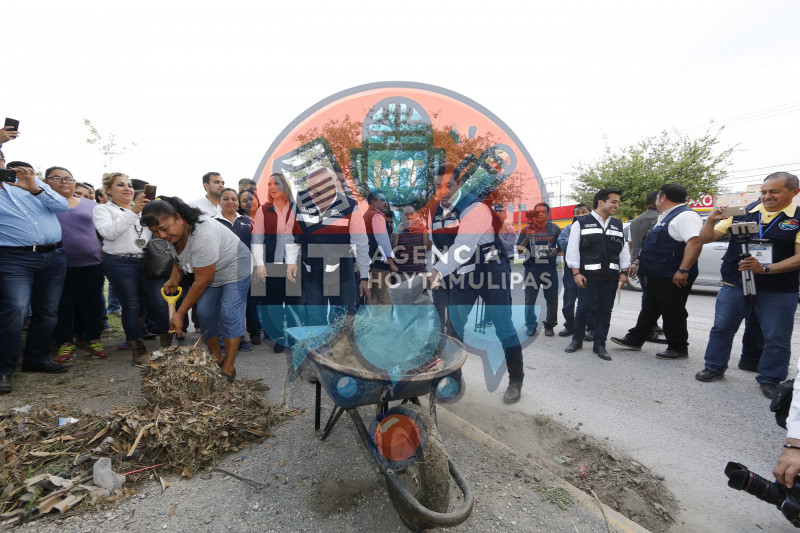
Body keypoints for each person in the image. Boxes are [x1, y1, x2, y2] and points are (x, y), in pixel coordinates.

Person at [695, 172, 800, 399]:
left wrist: (766, 268)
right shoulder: (743, 212)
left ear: (794, 192)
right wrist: (711, 220)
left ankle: (770, 378)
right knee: (722, 328)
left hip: (778, 288)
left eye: (774, 191)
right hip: (736, 283)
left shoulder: (798, 218)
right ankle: (714, 366)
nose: (766, 196)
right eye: (763, 192)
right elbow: (706, 238)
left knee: (776, 336)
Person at [426, 163, 524, 404]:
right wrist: (432, 270)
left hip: (491, 270)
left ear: (459, 184)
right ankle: (454, 380)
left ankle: (516, 380)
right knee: (454, 328)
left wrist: (438, 271)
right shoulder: (433, 211)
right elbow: (436, 247)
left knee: (503, 326)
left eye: (449, 185)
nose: (444, 191)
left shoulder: (475, 207)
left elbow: (464, 247)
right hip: (462, 274)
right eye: (439, 186)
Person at [142, 197, 252, 381]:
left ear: (179, 218)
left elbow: (201, 281)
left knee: (229, 314)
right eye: (155, 231)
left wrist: (179, 314)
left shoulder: (203, 235)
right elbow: (181, 257)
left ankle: (229, 367)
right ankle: (217, 358)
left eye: (164, 228)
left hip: (235, 267)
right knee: (205, 313)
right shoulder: (175, 233)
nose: (161, 235)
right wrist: (173, 279)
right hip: (211, 270)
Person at [0, 161, 70, 395]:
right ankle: (3, 370)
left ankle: (36, 358)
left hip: (54, 256)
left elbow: (61, 206)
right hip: (13, 258)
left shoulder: (32, 183)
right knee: (16, 310)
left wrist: (34, 188)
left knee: (48, 311)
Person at [610, 183, 703, 359]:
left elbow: (695, 242)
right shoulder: (665, 216)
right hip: (656, 274)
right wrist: (638, 261)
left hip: (672, 274)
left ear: (663, 197)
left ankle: (678, 346)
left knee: (673, 310)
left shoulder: (686, 216)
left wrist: (683, 270)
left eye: (658, 196)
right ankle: (635, 338)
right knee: (649, 309)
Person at [93, 172, 171, 363]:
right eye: (120, 185)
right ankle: (138, 350)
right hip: (120, 263)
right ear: (108, 190)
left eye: (129, 185)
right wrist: (134, 211)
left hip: (147, 262)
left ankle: (169, 347)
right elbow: (109, 233)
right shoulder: (102, 210)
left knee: (160, 304)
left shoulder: (144, 209)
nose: (127, 188)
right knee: (132, 306)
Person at [291, 167, 370, 326]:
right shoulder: (300, 205)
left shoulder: (349, 205)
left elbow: (360, 243)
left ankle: (343, 349)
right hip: (313, 272)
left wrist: (364, 277)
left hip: (342, 272)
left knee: (345, 316)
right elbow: (291, 238)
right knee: (315, 317)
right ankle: (319, 349)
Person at [44, 167, 108, 362]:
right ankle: (64, 342)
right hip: (57, 264)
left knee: (91, 303)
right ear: (46, 183)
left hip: (91, 262)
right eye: (57, 178)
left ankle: (93, 339)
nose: (64, 182)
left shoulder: (90, 205)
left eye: (68, 178)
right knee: (63, 304)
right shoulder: (43, 205)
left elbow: (101, 231)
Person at [564, 188, 630, 361]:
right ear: (601, 202)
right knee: (583, 309)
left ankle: (600, 344)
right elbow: (572, 250)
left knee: (605, 311)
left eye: (617, 202)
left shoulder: (617, 224)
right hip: (587, 277)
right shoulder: (581, 222)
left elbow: (622, 250)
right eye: (613, 201)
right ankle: (576, 340)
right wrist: (576, 273)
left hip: (610, 277)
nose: (617, 205)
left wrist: (624, 271)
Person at [253, 173, 300, 353]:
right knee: (274, 302)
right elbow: (257, 239)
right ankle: (280, 337)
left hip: (293, 265)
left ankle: (295, 337)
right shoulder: (264, 210)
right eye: (270, 184)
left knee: (292, 303)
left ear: (285, 185)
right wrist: (259, 264)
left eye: (277, 183)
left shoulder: (296, 208)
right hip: (271, 264)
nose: (272, 187)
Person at [215, 187, 256, 351]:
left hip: (244, 271)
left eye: (233, 199)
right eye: (226, 199)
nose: (230, 202)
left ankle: (239, 339)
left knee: (240, 307)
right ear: (219, 202)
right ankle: (223, 341)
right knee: (223, 309)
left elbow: (256, 246)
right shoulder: (213, 222)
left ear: (238, 203)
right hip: (221, 271)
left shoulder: (248, 222)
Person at [516, 203, 561, 337]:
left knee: (552, 299)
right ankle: (531, 325)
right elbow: (519, 250)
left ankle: (550, 325)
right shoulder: (526, 229)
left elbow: (563, 245)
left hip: (550, 269)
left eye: (543, 212)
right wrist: (527, 239)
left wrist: (557, 250)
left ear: (547, 214)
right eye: (538, 212)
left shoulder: (554, 228)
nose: (540, 214)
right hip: (532, 269)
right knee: (530, 300)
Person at [556, 203, 592, 337]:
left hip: (589, 270)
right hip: (570, 270)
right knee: (569, 300)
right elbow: (562, 243)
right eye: (577, 213)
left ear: (590, 212)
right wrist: (578, 241)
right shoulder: (568, 228)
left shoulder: (594, 228)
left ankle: (590, 328)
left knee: (588, 301)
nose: (581, 215)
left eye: (584, 212)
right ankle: (569, 325)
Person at [364, 191, 398, 308]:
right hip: (379, 263)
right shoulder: (377, 216)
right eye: (382, 200)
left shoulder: (366, 215)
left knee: (372, 299)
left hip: (368, 263)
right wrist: (391, 262)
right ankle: (384, 326)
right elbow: (383, 241)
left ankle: (373, 326)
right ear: (373, 201)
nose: (385, 203)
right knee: (384, 299)